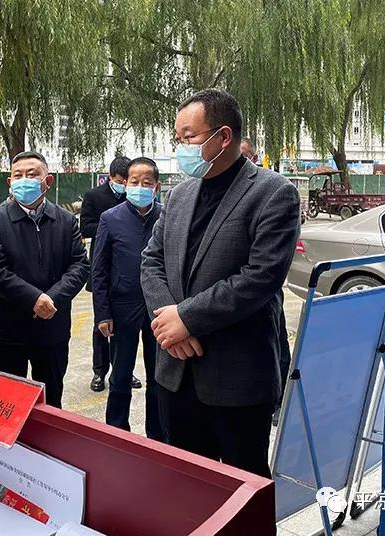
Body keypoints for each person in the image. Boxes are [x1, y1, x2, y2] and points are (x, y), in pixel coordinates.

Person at [141, 89, 300, 478]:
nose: (181, 148)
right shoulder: (179, 195)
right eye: (178, 138)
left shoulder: (273, 193)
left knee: (246, 488)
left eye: (189, 137)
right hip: (176, 372)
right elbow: (151, 260)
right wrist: (170, 324)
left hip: (237, 378)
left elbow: (261, 277)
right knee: (187, 484)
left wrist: (187, 318)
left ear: (223, 136)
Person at [0, 151, 89, 408]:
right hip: (8, 332)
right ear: (9, 182)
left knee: (50, 403)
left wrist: (52, 299)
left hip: (52, 329)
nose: (24, 180)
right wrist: (34, 299)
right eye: (18, 175)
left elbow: (80, 265)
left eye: (32, 174)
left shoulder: (66, 221)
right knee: (6, 405)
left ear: (47, 181)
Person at [92, 157, 165, 440]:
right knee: (121, 374)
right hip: (122, 307)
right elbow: (99, 269)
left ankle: (157, 435)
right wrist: (102, 313)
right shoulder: (111, 218)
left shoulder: (167, 216)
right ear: (125, 184)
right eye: (134, 182)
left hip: (159, 309)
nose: (140, 187)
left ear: (156, 187)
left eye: (147, 183)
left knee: (159, 377)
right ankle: (117, 431)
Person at [238, 140, 293, 423]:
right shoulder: (192, 193)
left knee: (277, 344)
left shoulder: (274, 192)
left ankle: (279, 400)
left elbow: (266, 270)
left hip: (262, 298)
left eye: (244, 157)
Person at [80, 156, 141, 393]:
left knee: (125, 328)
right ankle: (99, 371)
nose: (124, 185)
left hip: (127, 272)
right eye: (120, 180)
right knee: (101, 324)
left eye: (127, 181)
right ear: (111, 177)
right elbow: (85, 227)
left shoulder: (133, 196)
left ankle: (123, 368)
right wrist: (112, 225)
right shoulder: (94, 196)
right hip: (103, 267)